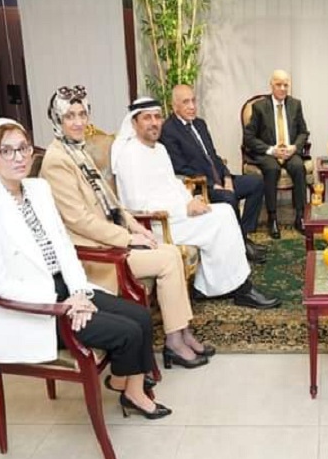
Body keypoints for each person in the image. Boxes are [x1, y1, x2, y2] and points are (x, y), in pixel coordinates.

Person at [0, 118, 170, 419]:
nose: (18, 158)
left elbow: (63, 247)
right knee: (127, 332)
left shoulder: (38, 189)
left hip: (66, 288)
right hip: (28, 307)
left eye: (23, 148)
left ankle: (124, 383)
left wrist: (79, 293)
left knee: (140, 316)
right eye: (6, 151)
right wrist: (61, 305)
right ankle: (131, 391)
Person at [39, 85, 210, 370]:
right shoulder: (57, 160)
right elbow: (79, 220)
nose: (79, 121)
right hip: (92, 255)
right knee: (169, 258)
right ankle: (175, 341)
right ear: (57, 120)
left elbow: (113, 202)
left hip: (110, 240)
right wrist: (127, 238)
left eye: (82, 114)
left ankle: (180, 333)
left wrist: (137, 228)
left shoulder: (78, 152)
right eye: (70, 116)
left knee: (169, 253)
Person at [112, 97, 281, 310]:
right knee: (221, 219)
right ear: (134, 123)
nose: (154, 122)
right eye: (147, 118)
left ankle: (210, 287)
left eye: (157, 117)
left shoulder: (159, 149)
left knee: (225, 211)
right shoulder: (130, 155)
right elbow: (137, 204)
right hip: (157, 225)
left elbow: (173, 184)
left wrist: (191, 200)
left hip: (177, 216)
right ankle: (241, 289)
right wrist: (183, 208)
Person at [161, 84, 266, 263]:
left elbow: (213, 155)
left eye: (193, 100)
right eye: (186, 102)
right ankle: (240, 246)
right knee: (228, 198)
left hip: (219, 178)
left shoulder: (200, 124)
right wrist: (211, 184)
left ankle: (243, 235)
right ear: (174, 106)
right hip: (200, 186)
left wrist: (226, 177)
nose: (192, 106)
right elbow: (180, 168)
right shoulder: (169, 130)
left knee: (256, 182)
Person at [243, 69, 309, 239]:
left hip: (289, 151)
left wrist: (294, 147)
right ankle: (272, 217)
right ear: (271, 85)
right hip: (269, 152)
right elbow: (249, 137)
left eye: (286, 85)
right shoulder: (259, 107)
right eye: (279, 84)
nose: (282, 88)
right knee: (272, 169)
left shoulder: (296, 104)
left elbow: (304, 132)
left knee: (298, 167)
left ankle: (300, 216)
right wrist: (272, 150)